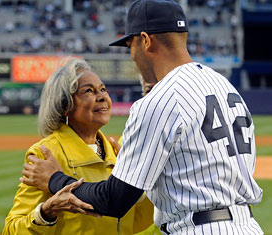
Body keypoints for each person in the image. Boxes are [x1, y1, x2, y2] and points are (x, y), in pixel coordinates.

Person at [21, 0, 264, 234]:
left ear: (145, 41)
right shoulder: (224, 85)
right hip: (247, 225)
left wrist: (54, 179)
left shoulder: (161, 99)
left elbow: (114, 200)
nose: (133, 56)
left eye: (130, 47)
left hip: (199, 228)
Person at [3, 58, 153, 235]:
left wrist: (154, 187)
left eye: (103, 89)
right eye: (88, 91)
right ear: (64, 105)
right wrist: (46, 213)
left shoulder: (114, 152)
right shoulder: (47, 154)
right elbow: (11, 230)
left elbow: (129, 221)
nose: (102, 96)